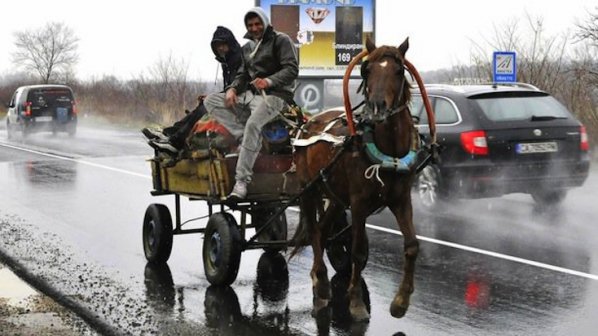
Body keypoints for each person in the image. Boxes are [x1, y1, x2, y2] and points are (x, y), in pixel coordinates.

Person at [203, 7, 298, 199]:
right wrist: (232, 89)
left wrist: (268, 81)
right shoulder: (247, 48)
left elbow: (291, 69)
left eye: (257, 24)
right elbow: (243, 75)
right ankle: (242, 136)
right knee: (211, 100)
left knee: (254, 124)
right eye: (250, 25)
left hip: (276, 96)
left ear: (265, 22)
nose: (254, 28)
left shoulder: (281, 41)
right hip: (251, 95)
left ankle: (241, 182)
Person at [143, 26, 242, 153]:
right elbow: (228, 88)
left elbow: (239, 85)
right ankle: (168, 134)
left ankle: (175, 142)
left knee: (205, 107)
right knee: (203, 104)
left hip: (240, 101)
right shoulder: (226, 62)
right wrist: (215, 96)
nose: (221, 48)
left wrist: (218, 97)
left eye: (223, 44)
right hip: (231, 97)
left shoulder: (239, 59)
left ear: (230, 44)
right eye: (217, 46)